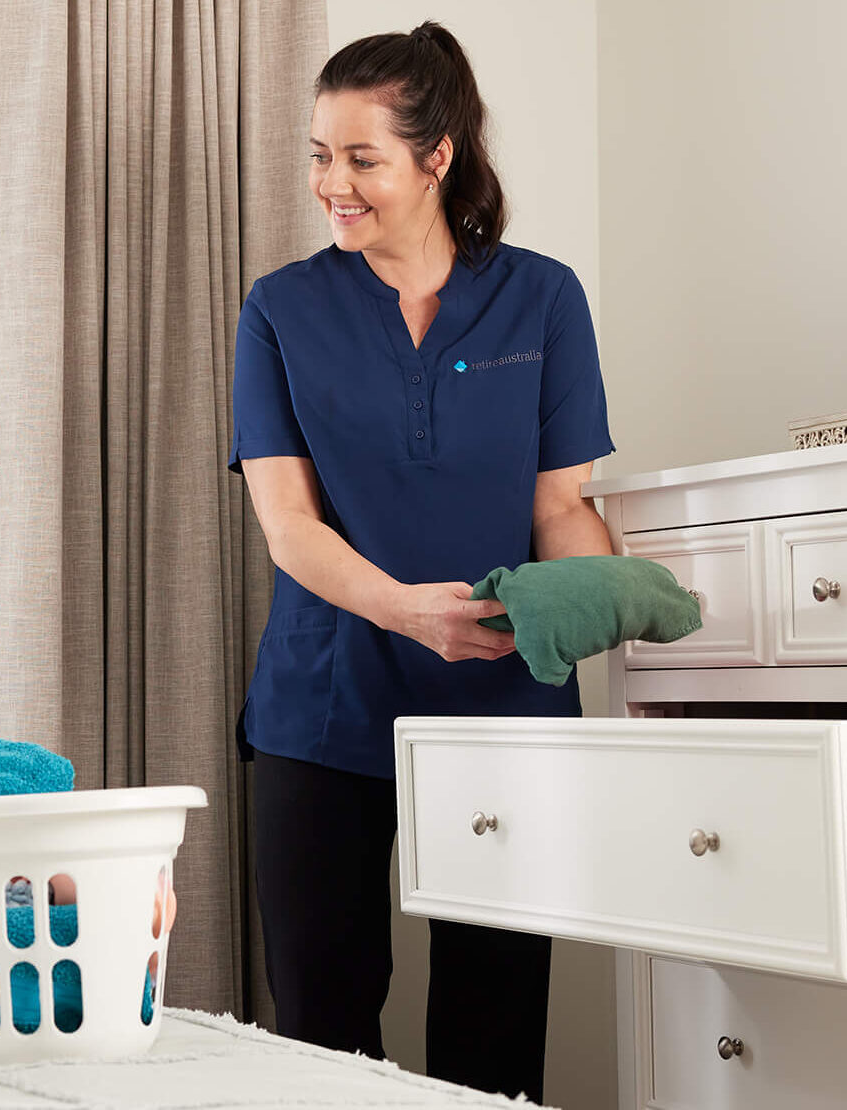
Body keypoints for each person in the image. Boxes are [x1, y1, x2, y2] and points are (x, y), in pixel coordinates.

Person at [228, 22, 614, 1102]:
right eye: (318, 155)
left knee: (493, 1035)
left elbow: (560, 509)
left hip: (501, 706)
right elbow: (288, 527)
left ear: (435, 157)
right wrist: (405, 612)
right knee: (320, 1032)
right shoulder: (281, 310)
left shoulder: (541, 300)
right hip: (323, 704)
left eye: (360, 160)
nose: (329, 185)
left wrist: (615, 614)